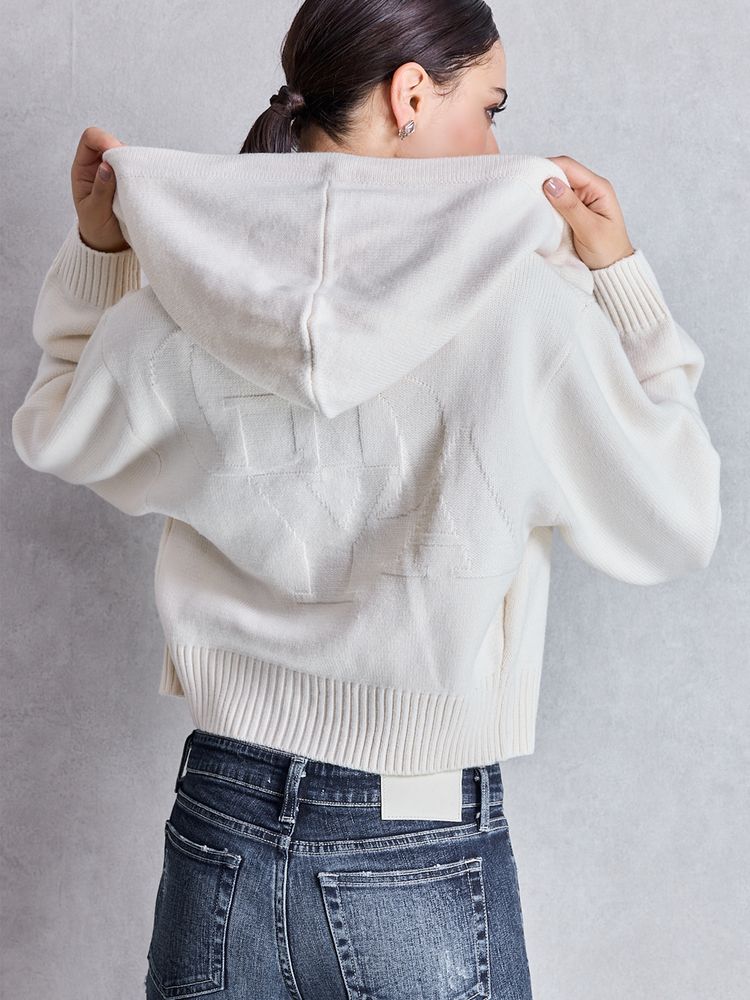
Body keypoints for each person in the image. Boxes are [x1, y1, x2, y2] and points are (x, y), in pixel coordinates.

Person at [11, 1, 721, 997]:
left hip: (219, 817)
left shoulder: (186, 294)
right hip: (416, 831)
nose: (497, 144)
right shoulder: (527, 310)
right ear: (411, 95)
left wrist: (101, 253)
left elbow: (56, 422)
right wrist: (623, 283)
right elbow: (678, 516)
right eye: (491, 107)